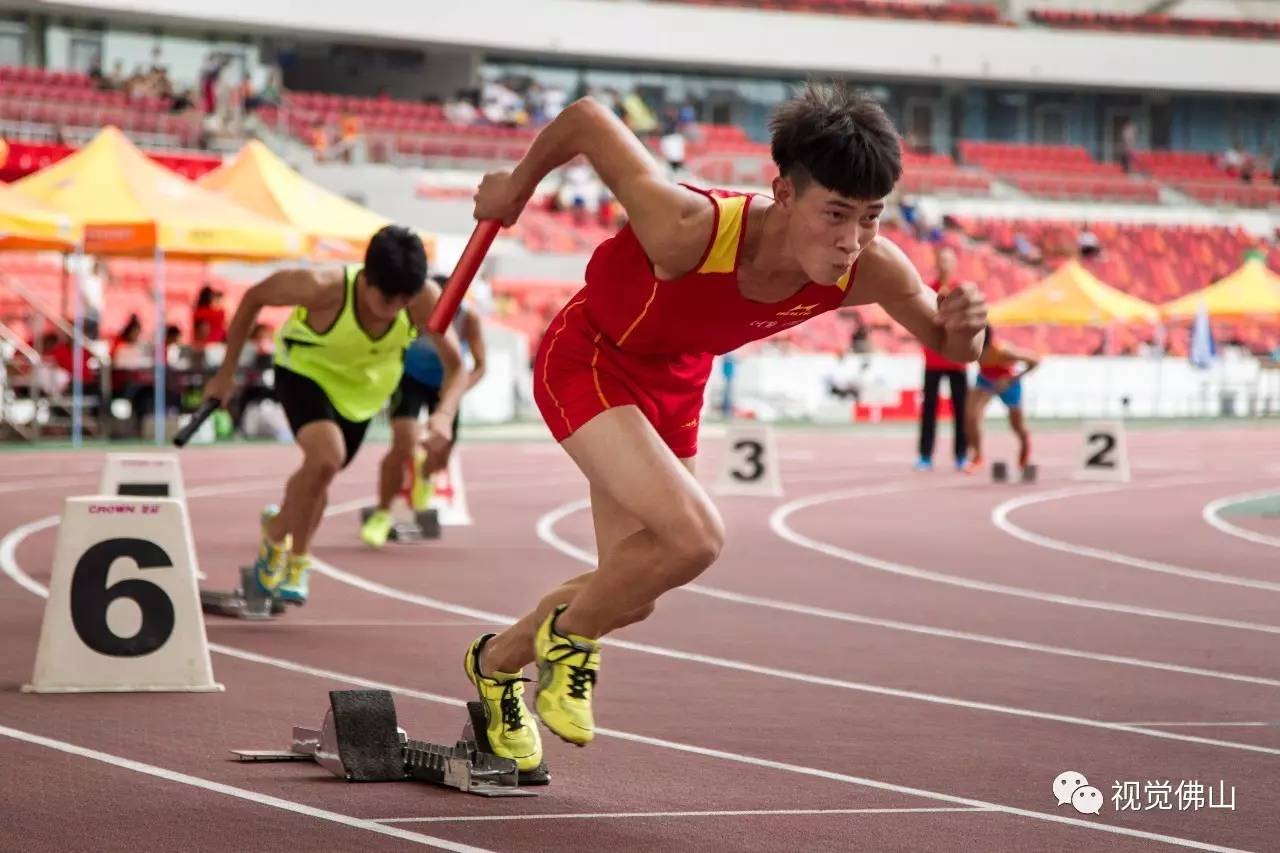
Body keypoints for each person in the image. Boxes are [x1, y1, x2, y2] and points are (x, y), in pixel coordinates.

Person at [456, 84, 987, 773]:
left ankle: (496, 663)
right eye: (835, 213)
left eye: (870, 218)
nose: (851, 240)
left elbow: (951, 346)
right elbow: (588, 118)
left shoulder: (868, 270)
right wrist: (518, 189)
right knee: (695, 536)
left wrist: (972, 330)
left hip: (675, 384)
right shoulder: (687, 228)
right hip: (590, 357)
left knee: (632, 590)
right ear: (785, 193)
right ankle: (570, 641)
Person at [201, 225, 464, 605]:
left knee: (320, 474)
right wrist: (225, 375)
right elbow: (254, 298)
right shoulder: (321, 286)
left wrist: (443, 413)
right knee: (327, 456)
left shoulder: (422, 299)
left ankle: (276, 531)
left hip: (362, 395)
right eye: (385, 297)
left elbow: (456, 367)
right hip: (304, 372)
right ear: (367, 278)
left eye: (402, 300)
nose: (393, 308)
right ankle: (295, 559)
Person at [361, 284, 487, 547]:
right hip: (410, 380)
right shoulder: (411, 311)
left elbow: (480, 365)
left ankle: (426, 473)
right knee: (403, 443)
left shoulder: (469, 318)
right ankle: (383, 513)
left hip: (448, 382)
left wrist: (455, 395)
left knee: (441, 453)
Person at [915, 244, 969, 471]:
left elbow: (969, 324)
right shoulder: (927, 290)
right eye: (942, 260)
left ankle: (961, 455)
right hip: (933, 359)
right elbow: (921, 321)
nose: (945, 264)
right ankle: (925, 456)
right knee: (929, 410)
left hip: (957, 361)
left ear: (955, 265)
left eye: (949, 260)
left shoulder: (962, 291)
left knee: (961, 411)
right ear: (936, 264)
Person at [963, 325, 1038, 474]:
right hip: (985, 380)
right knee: (970, 417)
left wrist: (1012, 379)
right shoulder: (971, 348)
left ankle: (1024, 450)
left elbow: (1034, 361)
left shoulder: (1003, 351)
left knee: (1017, 425)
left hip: (1007, 382)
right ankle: (977, 456)